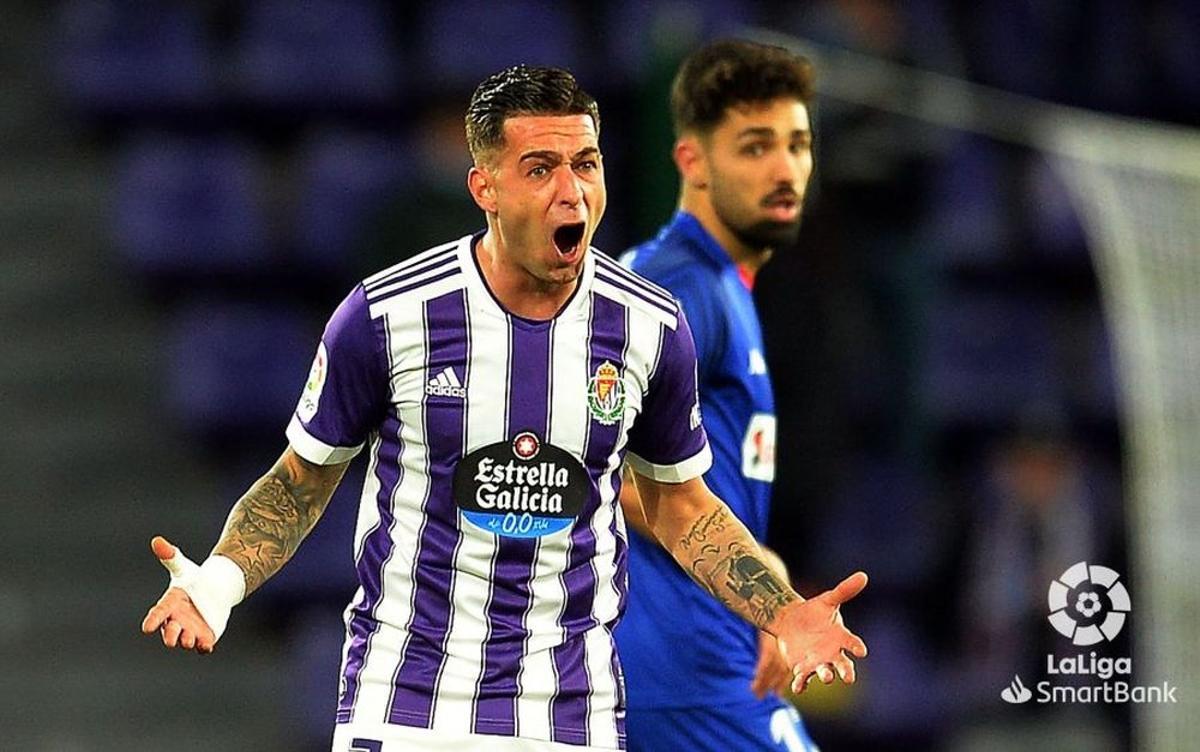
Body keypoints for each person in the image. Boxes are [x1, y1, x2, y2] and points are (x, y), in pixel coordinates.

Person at [140, 64, 868, 752]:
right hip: (407, 709)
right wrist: (222, 580)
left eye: (586, 164)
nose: (571, 192)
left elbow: (683, 508)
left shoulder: (650, 325)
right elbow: (300, 483)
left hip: (569, 718)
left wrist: (782, 609)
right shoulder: (387, 316)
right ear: (483, 186)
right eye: (540, 169)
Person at [615, 40, 830, 751]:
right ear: (693, 162)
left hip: (700, 664)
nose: (784, 168)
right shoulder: (674, 289)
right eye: (755, 147)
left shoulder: (718, 287)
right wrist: (763, 585)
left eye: (797, 144)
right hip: (678, 674)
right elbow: (588, 466)